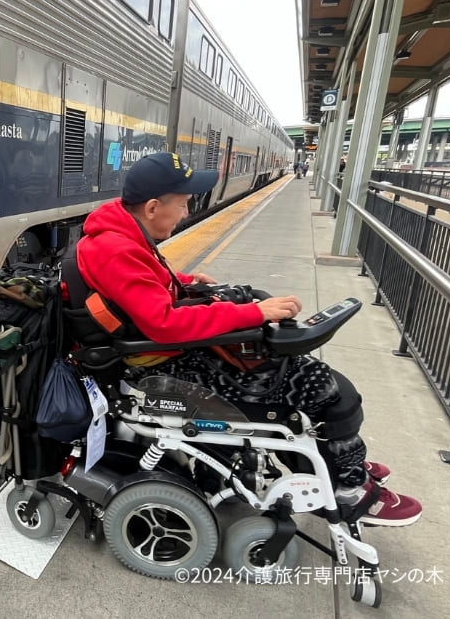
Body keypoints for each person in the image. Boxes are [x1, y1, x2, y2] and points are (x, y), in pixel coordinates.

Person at [76, 151, 422, 526]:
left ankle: (336, 459)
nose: (187, 213)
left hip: (169, 353)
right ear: (154, 207)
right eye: (183, 204)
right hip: (164, 365)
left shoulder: (121, 234)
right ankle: (350, 491)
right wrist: (255, 313)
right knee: (330, 390)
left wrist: (187, 283)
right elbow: (163, 323)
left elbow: (141, 292)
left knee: (305, 375)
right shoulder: (115, 248)